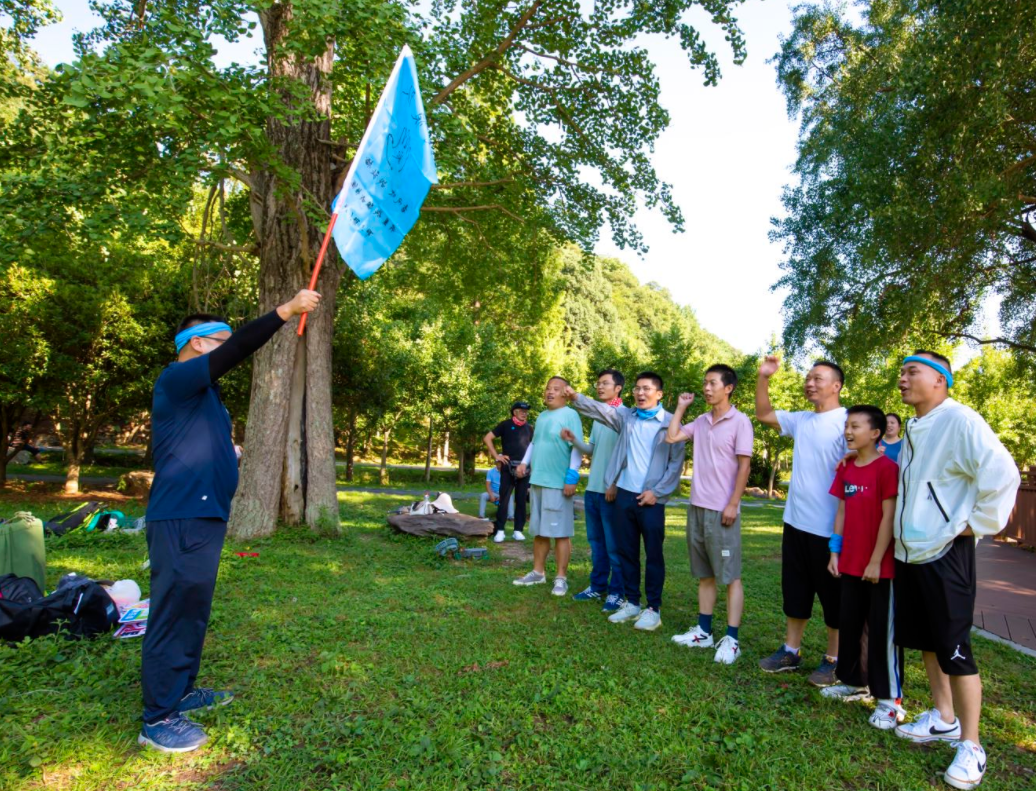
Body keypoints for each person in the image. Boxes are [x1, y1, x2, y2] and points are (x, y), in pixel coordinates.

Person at [138, 289, 320, 753]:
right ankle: (158, 718)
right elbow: (240, 346)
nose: (227, 350)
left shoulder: (204, 396)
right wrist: (286, 311)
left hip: (204, 514)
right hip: (181, 514)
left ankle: (181, 691)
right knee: (172, 611)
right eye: (220, 341)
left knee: (192, 610)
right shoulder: (176, 378)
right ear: (198, 343)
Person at [891, 352, 1020, 790]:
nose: (903, 378)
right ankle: (944, 718)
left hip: (946, 553)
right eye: (902, 371)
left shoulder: (961, 420)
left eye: (912, 371)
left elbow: (1003, 474)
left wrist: (971, 525)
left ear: (940, 380)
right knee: (928, 641)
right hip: (911, 552)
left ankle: (971, 744)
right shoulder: (915, 426)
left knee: (955, 647)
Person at [565, 372, 686, 632]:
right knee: (626, 552)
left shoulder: (670, 423)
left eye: (646, 389)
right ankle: (632, 602)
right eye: (637, 388)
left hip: (651, 499)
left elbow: (676, 464)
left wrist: (657, 492)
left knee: (653, 555)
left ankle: (653, 609)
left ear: (659, 394)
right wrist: (575, 397)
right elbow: (600, 410)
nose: (640, 393)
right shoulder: (627, 417)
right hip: (624, 495)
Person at [755, 357, 847, 684]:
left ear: (836, 385)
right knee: (795, 592)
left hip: (830, 528)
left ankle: (835, 659)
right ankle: (790, 651)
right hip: (795, 522)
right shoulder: (802, 420)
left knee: (834, 598)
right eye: (808, 377)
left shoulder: (848, 421)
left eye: (817, 378)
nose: (809, 383)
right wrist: (763, 377)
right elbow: (764, 414)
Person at [821, 405, 905, 731]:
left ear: (875, 433)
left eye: (856, 426)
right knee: (851, 624)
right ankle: (854, 682)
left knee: (882, 632)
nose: (848, 431)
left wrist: (876, 560)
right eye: (847, 425)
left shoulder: (887, 469)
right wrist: (835, 552)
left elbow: (889, 516)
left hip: (880, 567)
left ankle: (890, 701)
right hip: (850, 562)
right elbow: (841, 512)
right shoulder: (847, 468)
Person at [667, 364, 753, 665]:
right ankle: (703, 632)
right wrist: (681, 407)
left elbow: (744, 466)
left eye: (712, 383)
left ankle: (732, 639)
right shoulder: (701, 421)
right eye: (704, 382)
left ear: (728, 388)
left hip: (722, 509)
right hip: (697, 507)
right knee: (704, 573)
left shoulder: (740, 421)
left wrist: (733, 503)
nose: (706, 388)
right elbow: (672, 436)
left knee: (730, 576)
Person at [561, 369, 627, 612]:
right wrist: (574, 440)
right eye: (598, 383)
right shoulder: (598, 418)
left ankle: (617, 592)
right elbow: (591, 450)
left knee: (614, 546)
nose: (599, 387)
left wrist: (614, 484)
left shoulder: (625, 416)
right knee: (596, 543)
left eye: (605, 383)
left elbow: (628, 456)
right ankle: (598, 585)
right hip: (593, 490)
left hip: (612, 491)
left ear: (618, 388)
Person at [511, 377, 584, 596]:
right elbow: (534, 443)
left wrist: (571, 477)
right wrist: (524, 463)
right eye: (548, 388)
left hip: (558, 483)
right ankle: (538, 572)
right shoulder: (542, 416)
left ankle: (561, 578)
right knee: (539, 531)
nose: (550, 392)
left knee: (561, 533)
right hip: (538, 481)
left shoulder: (571, 415)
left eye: (556, 389)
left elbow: (577, 447)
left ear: (565, 393)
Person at [483, 401, 533, 543]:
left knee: (521, 500)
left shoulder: (529, 428)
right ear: (514, 412)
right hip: (507, 467)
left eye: (526, 411)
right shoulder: (505, 425)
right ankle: (500, 530)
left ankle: (518, 531)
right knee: (504, 499)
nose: (524, 413)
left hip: (524, 469)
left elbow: (534, 446)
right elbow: (487, 438)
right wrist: (497, 456)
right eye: (521, 411)